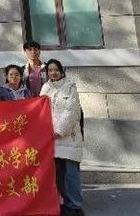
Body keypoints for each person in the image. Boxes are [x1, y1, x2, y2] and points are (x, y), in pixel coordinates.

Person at [40, 59, 84, 216]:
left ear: (61, 71)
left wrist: (59, 131)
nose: (53, 73)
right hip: (51, 139)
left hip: (69, 137)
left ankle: (75, 206)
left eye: (56, 70)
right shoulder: (45, 88)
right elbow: (39, 110)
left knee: (71, 174)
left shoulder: (70, 87)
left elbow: (71, 111)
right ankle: (62, 203)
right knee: (57, 174)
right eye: (50, 70)